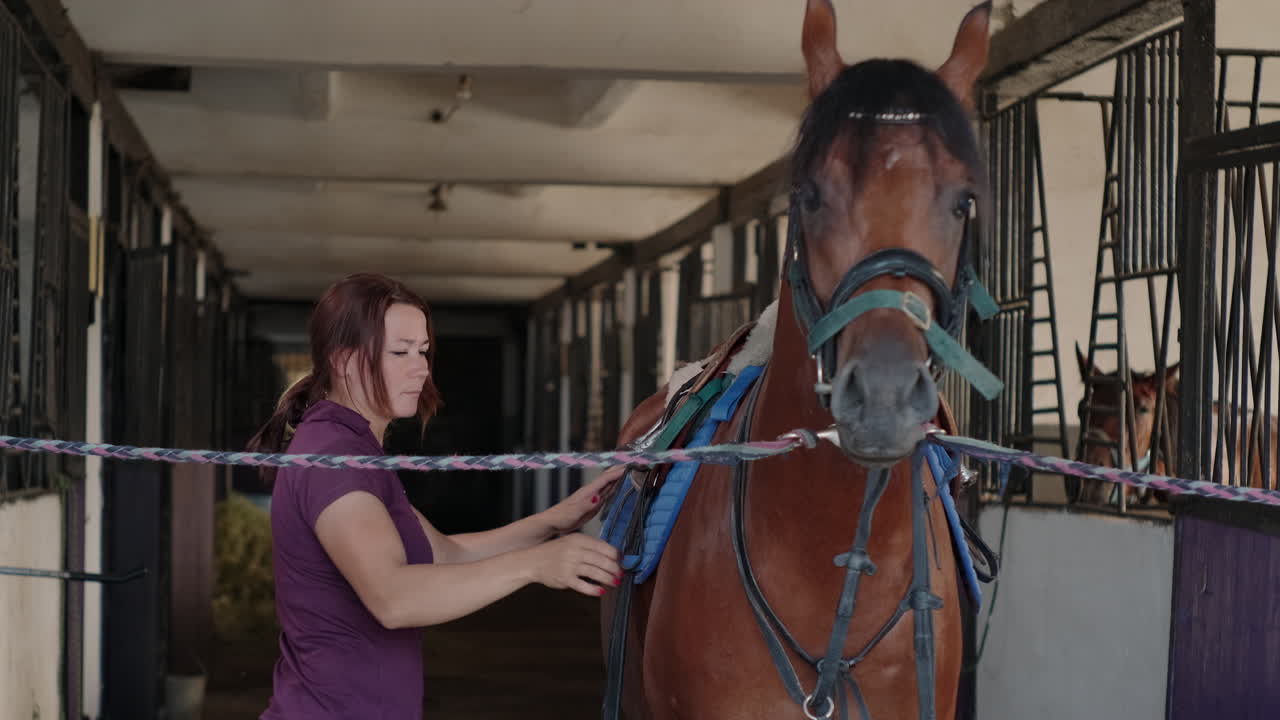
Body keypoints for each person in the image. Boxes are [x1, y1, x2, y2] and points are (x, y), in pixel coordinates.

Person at [248, 273, 623, 719]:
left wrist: (554, 522)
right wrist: (535, 565)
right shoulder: (335, 461)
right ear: (346, 362)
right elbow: (394, 598)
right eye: (400, 352)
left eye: (423, 351)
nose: (421, 368)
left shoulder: (356, 450)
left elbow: (444, 552)